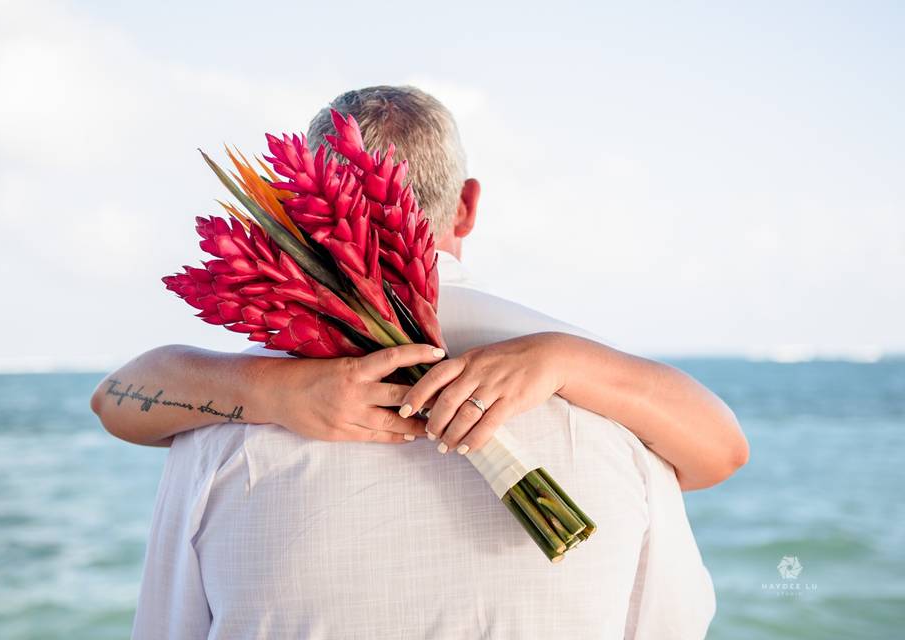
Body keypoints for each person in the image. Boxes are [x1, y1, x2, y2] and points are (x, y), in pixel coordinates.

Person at [92, 86, 747, 639]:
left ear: (297, 213)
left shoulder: (220, 435)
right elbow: (679, 601)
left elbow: (166, 618)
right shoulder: (622, 418)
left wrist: (266, 392)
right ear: (466, 204)